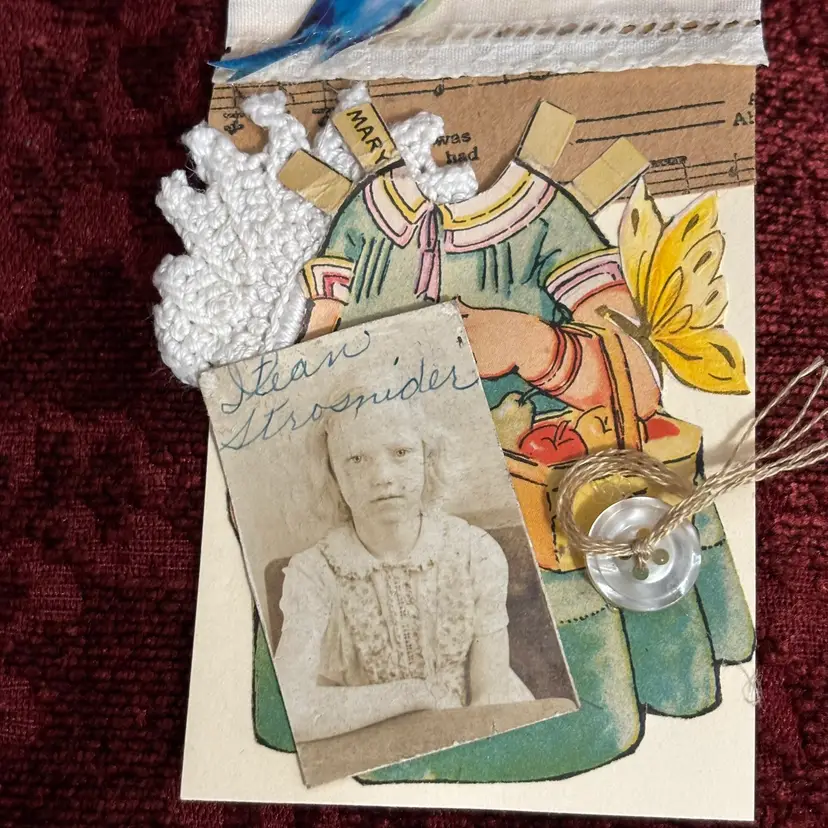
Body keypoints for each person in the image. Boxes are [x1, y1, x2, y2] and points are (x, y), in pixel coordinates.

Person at [273, 400, 533, 744]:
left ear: (427, 458)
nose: (382, 477)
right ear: (332, 473)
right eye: (356, 459)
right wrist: (415, 694)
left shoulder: (475, 552)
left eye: (400, 452)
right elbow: (287, 710)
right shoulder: (312, 574)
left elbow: (491, 698)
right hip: (374, 742)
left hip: (483, 734)